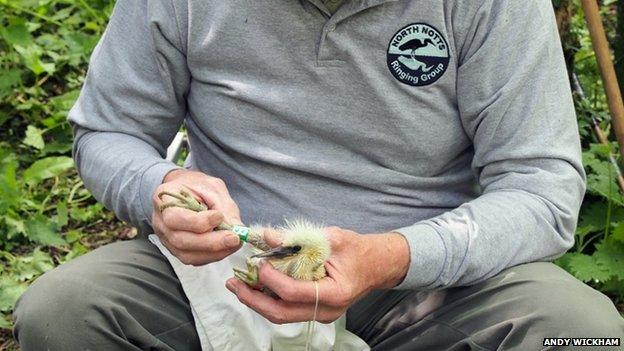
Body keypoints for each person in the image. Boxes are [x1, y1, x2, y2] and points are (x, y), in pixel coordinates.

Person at [13, 0, 624, 350]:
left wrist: (392, 257)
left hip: (431, 285)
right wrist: (156, 190)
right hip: (227, 273)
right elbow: (107, 130)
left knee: (583, 336)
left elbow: (542, 187)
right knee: (65, 312)